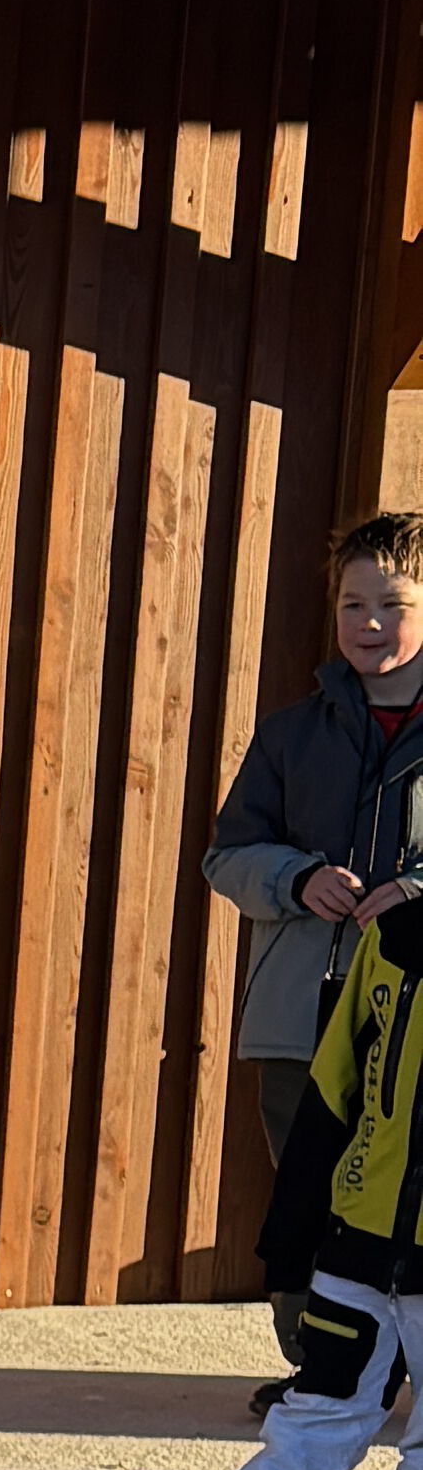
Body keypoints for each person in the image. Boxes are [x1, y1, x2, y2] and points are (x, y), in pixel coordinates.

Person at [145, 869, 423, 1470]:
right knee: (318, 1407)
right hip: (362, 1236)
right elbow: (334, 1088)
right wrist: (294, 1237)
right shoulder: (395, 940)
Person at [205, 509, 423, 1228]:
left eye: (394, 605)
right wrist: (297, 880)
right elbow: (226, 857)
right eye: (353, 604)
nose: (370, 623)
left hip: (412, 1021)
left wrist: (416, 890)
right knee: (307, 1214)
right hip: (299, 1027)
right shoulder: (288, 735)